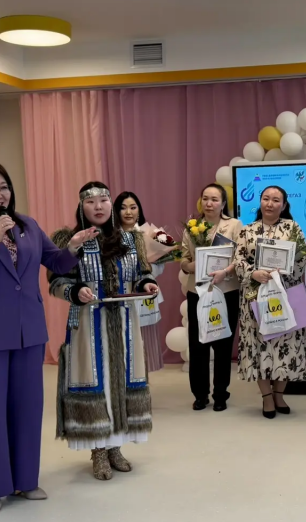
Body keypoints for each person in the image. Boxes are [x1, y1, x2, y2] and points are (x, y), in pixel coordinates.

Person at [0, 162, 95, 514]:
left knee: (27, 410)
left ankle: (26, 481)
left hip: (28, 332)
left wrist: (73, 246)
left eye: (4, 187)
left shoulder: (26, 224)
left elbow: (56, 263)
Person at [49, 183, 159, 481]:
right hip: (88, 323)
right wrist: (75, 291)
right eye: (91, 202)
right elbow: (56, 282)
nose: (98, 207)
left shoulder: (130, 239)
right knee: (97, 380)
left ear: (111, 204)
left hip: (125, 322)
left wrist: (147, 284)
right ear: (81, 207)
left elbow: (141, 273)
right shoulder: (68, 240)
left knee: (121, 380)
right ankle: (98, 449)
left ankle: (115, 446)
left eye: (103, 200)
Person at [234, 186, 306, 418]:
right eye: (266, 198)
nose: (270, 203)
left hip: (286, 294)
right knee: (259, 345)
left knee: (286, 343)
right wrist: (253, 273)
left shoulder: (293, 228)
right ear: (260, 202)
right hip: (256, 295)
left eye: (276, 200)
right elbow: (238, 260)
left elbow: (303, 258)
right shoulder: (247, 230)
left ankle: (279, 394)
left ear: (284, 205)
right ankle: (266, 396)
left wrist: (284, 271)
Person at [179, 184, 244, 411]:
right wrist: (190, 265)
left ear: (223, 203)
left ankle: (220, 394)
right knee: (198, 345)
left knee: (223, 344)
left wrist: (225, 271)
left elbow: (241, 256)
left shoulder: (234, 225)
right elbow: (183, 259)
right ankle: (200, 394)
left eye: (215, 199)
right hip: (198, 292)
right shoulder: (192, 227)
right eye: (205, 198)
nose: (209, 203)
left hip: (225, 291)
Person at [114, 191, 168, 373]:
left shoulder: (149, 234)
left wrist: (146, 268)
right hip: (121, 293)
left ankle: (142, 382)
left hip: (145, 292)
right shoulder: (111, 237)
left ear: (139, 210)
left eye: (133, 207)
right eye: (123, 208)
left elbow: (160, 267)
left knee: (144, 343)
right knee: (123, 340)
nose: (128, 212)